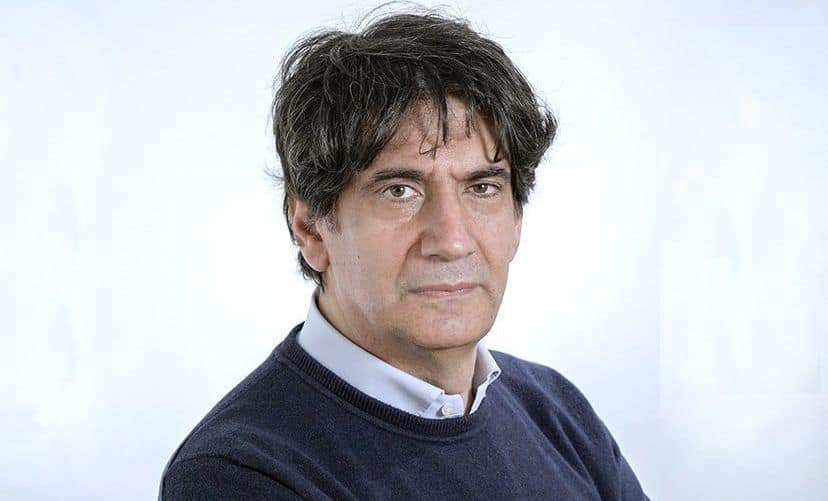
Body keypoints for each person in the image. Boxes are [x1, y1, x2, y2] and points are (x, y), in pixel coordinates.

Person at [159, 8, 649, 500]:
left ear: (517, 218)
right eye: (400, 191)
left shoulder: (557, 412)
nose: (452, 240)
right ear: (310, 228)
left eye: (482, 188)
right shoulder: (238, 475)